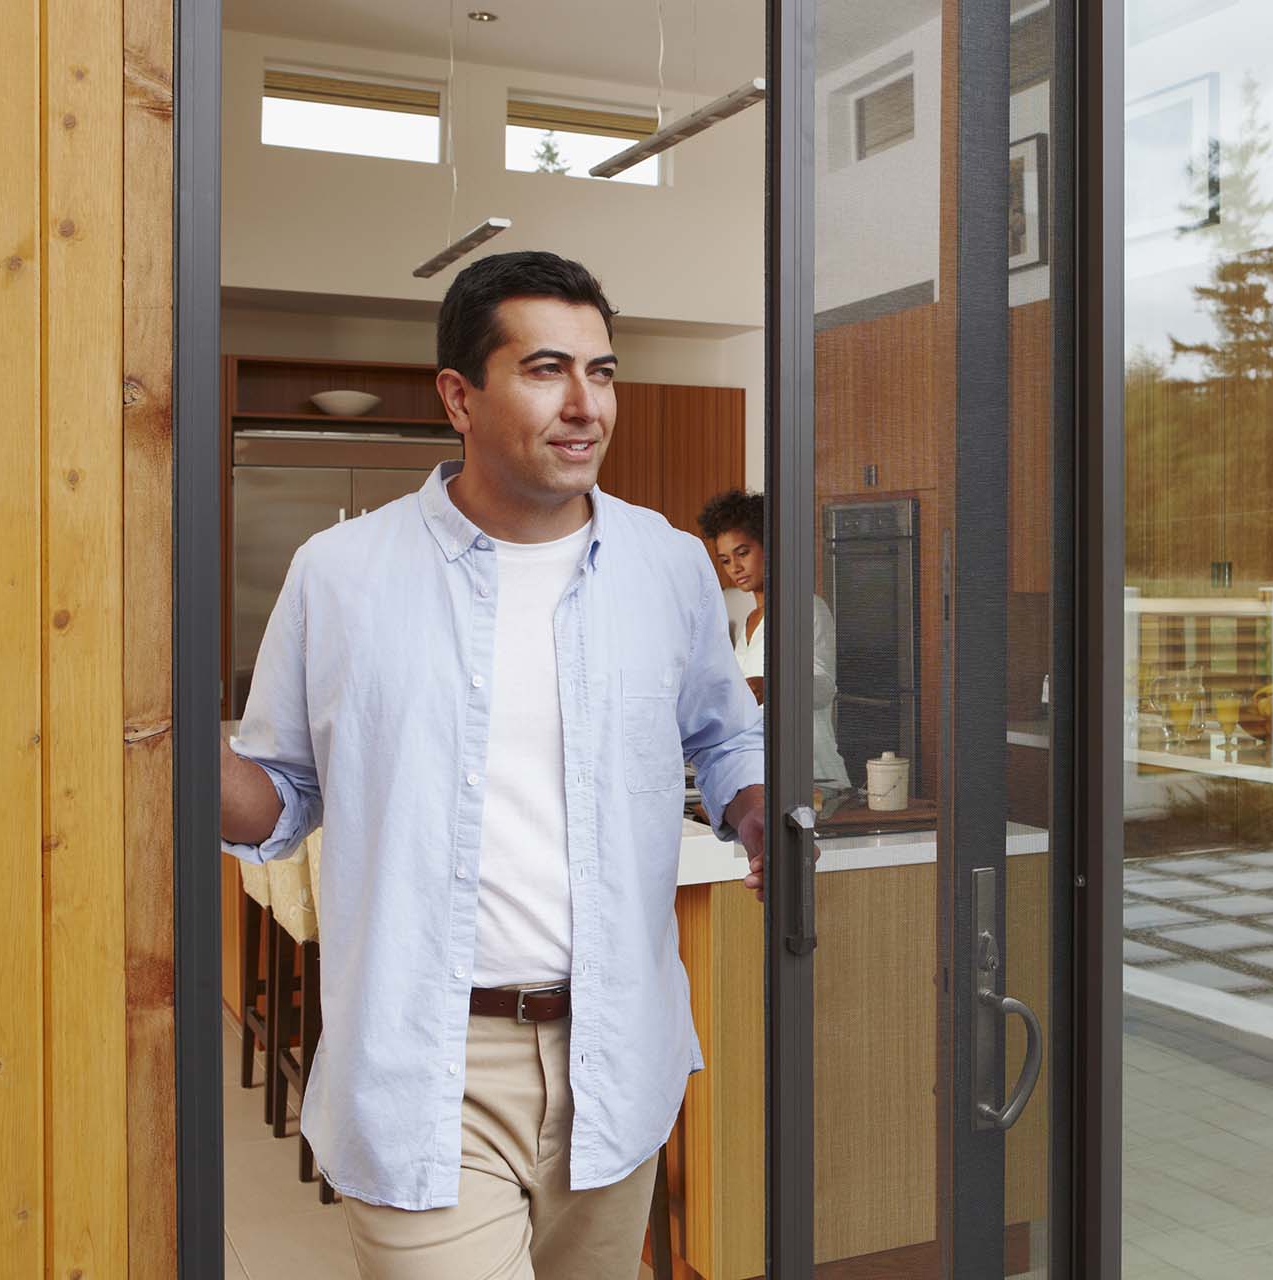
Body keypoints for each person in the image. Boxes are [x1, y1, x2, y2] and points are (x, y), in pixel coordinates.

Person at [219, 251, 767, 1280]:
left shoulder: (666, 564)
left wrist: (754, 805)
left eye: (602, 372)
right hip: (426, 1059)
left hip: (617, 1053)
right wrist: (171, 737)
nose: (584, 405)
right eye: (548, 368)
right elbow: (280, 801)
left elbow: (724, 732)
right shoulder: (341, 576)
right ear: (458, 396)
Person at [697, 488, 854, 800]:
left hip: (814, 778)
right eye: (726, 560)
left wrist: (769, 686)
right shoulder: (749, 623)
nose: (734, 568)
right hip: (767, 777)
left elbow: (823, 687)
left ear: (770, 545)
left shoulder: (805, 608)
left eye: (743, 553)